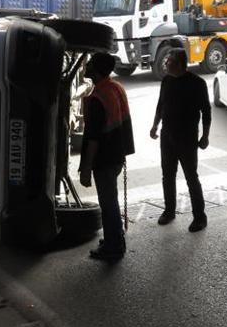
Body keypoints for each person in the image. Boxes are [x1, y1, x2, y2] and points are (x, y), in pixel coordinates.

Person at [78, 52, 135, 261]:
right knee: (111, 200)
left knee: (108, 203)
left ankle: (113, 246)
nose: (87, 65)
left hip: (105, 159)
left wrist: (85, 169)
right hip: (117, 155)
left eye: (91, 63)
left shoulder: (98, 98)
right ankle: (114, 238)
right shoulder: (115, 88)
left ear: (98, 70)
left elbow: (93, 139)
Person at [150, 48, 211, 232]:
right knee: (167, 176)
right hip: (167, 137)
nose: (165, 64)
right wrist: (155, 125)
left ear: (178, 64)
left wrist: (205, 136)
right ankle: (169, 211)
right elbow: (161, 105)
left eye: (168, 62)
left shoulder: (197, 83)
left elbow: (206, 112)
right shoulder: (167, 80)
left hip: (187, 139)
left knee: (191, 177)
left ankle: (200, 217)